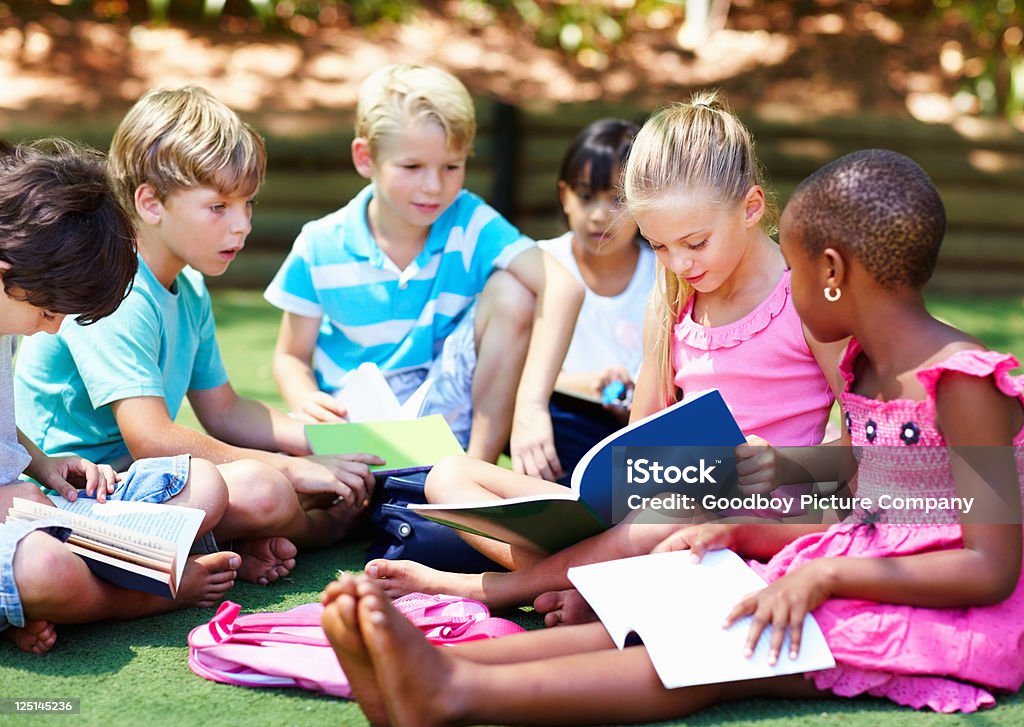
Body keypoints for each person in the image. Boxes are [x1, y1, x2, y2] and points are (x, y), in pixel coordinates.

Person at [322, 148, 1024, 723]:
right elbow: (873, 509)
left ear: (832, 273)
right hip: (855, 573)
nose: (792, 287)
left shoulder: (966, 381)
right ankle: (425, 667)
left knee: (709, 649)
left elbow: (989, 566)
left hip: (942, 618)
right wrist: (746, 530)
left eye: (799, 269)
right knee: (662, 610)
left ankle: (456, 692)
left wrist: (821, 571)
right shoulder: (869, 368)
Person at [366, 92, 843, 592]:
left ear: (750, 207)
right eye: (659, 246)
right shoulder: (673, 292)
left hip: (746, 517)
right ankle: (588, 580)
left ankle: (498, 587)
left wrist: (783, 466)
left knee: (671, 513)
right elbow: (644, 432)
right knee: (450, 477)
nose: (680, 263)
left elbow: (870, 451)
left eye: (696, 243)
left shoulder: (807, 299)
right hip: (654, 509)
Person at [14, 86, 383, 582]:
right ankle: (323, 530)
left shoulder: (187, 287)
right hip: (73, 495)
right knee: (263, 487)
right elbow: (151, 437)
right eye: (219, 207)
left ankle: (217, 544)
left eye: (248, 204)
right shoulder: (115, 293)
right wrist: (291, 468)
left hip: (144, 489)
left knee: (270, 477)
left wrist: (321, 442)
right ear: (151, 202)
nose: (243, 225)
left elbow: (226, 410)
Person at [264, 63, 583, 480]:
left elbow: (564, 287)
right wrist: (307, 399)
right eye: (412, 167)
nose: (434, 186)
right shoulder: (319, 244)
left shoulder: (471, 222)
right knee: (288, 489)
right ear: (366, 158)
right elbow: (290, 356)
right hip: (355, 422)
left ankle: (477, 477)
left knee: (513, 289)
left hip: (446, 420)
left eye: (452, 167)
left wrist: (532, 406)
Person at [1, 139, 240, 655]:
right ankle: (144, 597)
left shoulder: (9, 312)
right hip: (18, 529)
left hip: (36, 508)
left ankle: (44, 601)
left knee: (204, 485)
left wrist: (39, 463)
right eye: (48, 314)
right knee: (43, 569)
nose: (54, 328)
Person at [538, 118, 656, 481]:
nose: (600, 214)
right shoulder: (540, 264)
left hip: (641, 432)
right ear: (564, 195)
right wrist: (591, 384)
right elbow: (516, 372)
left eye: (618, 199)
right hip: (565, 425)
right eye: (586, 195)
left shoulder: (666, 274)